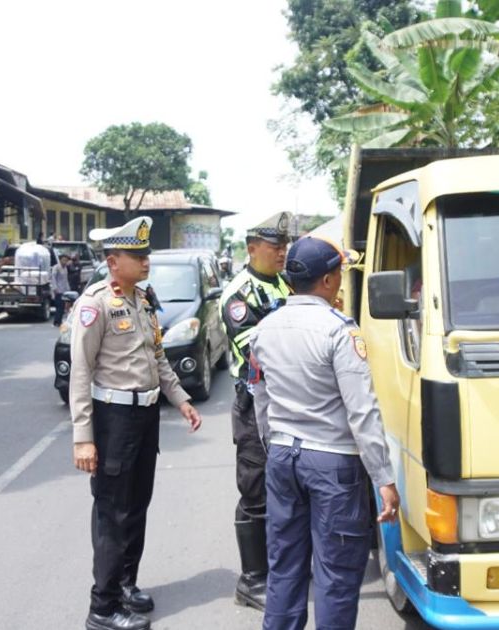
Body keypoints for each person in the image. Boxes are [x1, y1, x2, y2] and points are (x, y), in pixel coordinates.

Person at [250, 236, 400, 630]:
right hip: (332, 463)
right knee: (336, 573)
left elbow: (259, 399)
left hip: (283, 457)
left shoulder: (263, 331)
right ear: (330, 280)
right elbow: (362, 411)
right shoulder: (339, 331)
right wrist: (384, 478)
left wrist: (275, 449)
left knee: (284, 565)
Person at [70, 216, 203, 630]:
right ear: (113, 261)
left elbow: (157, 356)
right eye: (137, 255)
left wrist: (180, 399)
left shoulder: (142, 299)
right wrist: (82, 439)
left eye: (147, 254)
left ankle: (125, 584)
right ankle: (102, 608)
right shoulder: (95, 305)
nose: (146, 261)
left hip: (145, 416)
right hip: (114, 419)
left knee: (137, 505)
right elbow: (80, 371)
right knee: (113, 512)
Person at [218, 211, 294, 610]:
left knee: (287, 483)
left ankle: (282, 565)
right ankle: (252, 580)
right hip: (255, 401)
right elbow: (256, 348)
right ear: (252, 249)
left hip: (287, 399)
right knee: (255, 488)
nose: (282, 252)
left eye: (284, 246)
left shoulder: (284, 282)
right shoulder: (239, 293)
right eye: (274, 246)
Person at [51, 253, 72, 325]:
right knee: (59, 306)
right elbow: (53, 278)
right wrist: (55, 288)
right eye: (63, 260)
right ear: (60, 260)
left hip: (64, 290)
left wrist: (68, 289)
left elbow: (66, 280)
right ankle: (56, 321)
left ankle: (58, 321)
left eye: (66, 260)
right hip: (58, 290)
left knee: (63, 306)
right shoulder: (56, 267)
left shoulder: (65, 268)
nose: (65, 262)